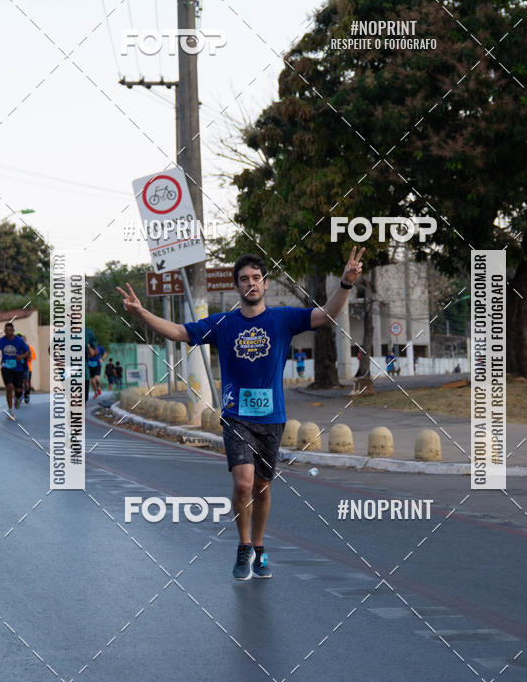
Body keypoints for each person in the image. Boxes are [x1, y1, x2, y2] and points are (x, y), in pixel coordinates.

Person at [117, 247, 365, 581]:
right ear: (237, 287)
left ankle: (260, 547)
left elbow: (326, 315)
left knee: (263, 487)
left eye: (256, 278)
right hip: (236, 417)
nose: (250, 283)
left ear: (263, 284)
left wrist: (346, 284)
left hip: (272, 418)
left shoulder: (282, 319)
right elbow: (178, 331)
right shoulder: (223, 323)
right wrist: (142, 313)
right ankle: (244, 544)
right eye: (244, 279)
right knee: (243, 482)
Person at [0, 322, 30, 420]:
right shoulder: (0, 341)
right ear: (4, 331)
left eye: (10, 330)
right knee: (9, 387)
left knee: (18, 390)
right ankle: (10, 411)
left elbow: (28, 352)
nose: (8, 332)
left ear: (13, 331)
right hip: (5, 367)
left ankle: (18, 397)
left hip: (17, 368)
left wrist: (21, 356)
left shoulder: (19, 340)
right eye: (6, 330)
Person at [19, 334, 36, 403]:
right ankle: (19, 395)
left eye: (23, 339)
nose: (22, 341)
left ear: (26, 340)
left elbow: (31, 358)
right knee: (19, 383)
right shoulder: (18, 347)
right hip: (19, 368)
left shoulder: (29, 348)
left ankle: (27, 395)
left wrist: (26, 355)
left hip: (28, 368)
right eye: (21, 339)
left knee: (27, 383)